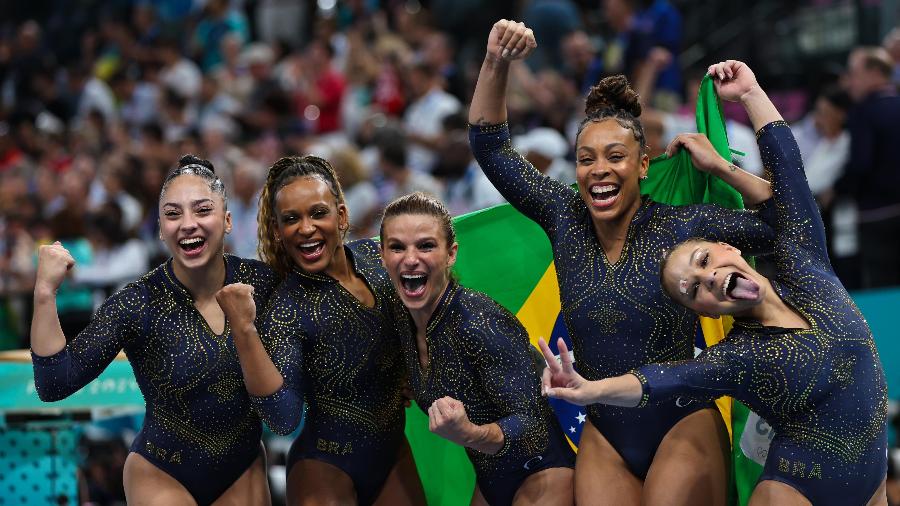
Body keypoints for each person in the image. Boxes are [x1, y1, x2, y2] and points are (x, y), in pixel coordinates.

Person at [541, 59, 889, 506]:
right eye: (693, 290)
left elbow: (789, 185)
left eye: (704, 260)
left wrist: (747, 100)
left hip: (873, 489)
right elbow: (660, 380)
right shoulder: (737, 356)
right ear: (704, 313)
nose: (708, 278)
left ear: (731, 249)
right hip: (790, 493)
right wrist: (591, 390)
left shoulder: (806, 269)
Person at [468, 21, 775, 504]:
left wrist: (721, 167)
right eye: (586, 159)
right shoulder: (563, 217)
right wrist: (496, 62)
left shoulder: (679, 226)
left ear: (643, 164)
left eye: (615, 156)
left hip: (681, 420)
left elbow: (780, 223)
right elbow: (491, 146)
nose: (599, 170)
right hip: (606, 430)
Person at [31, 155, 279, 505]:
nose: (188, 224)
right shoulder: (137, 302)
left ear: (227, 220)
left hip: (242, 470)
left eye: (202, 210)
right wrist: (44, 294)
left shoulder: (264, 284)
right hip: (161, 472)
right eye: (173, 214)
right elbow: (54, 383)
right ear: (161, 228)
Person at [215, 155, 424, 506]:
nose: (306, 227)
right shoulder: (286, 308)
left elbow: (423, 317)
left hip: (393, 456)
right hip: (325, 471)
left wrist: (414, 370)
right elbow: (283, 418)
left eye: (317, 213)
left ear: (341, 215)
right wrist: (244, 330)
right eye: (291, 219)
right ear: (278, 231)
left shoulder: (379, 258)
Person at [379, 192, 575, 506]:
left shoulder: (479, 322)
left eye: (426, 245)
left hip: (542, 473)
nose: (410, 258)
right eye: (397, 247)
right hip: (490, 480)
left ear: (451, 253)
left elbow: (530, 425)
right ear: (382, 255)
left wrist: (469, 433)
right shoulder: (398, 314)